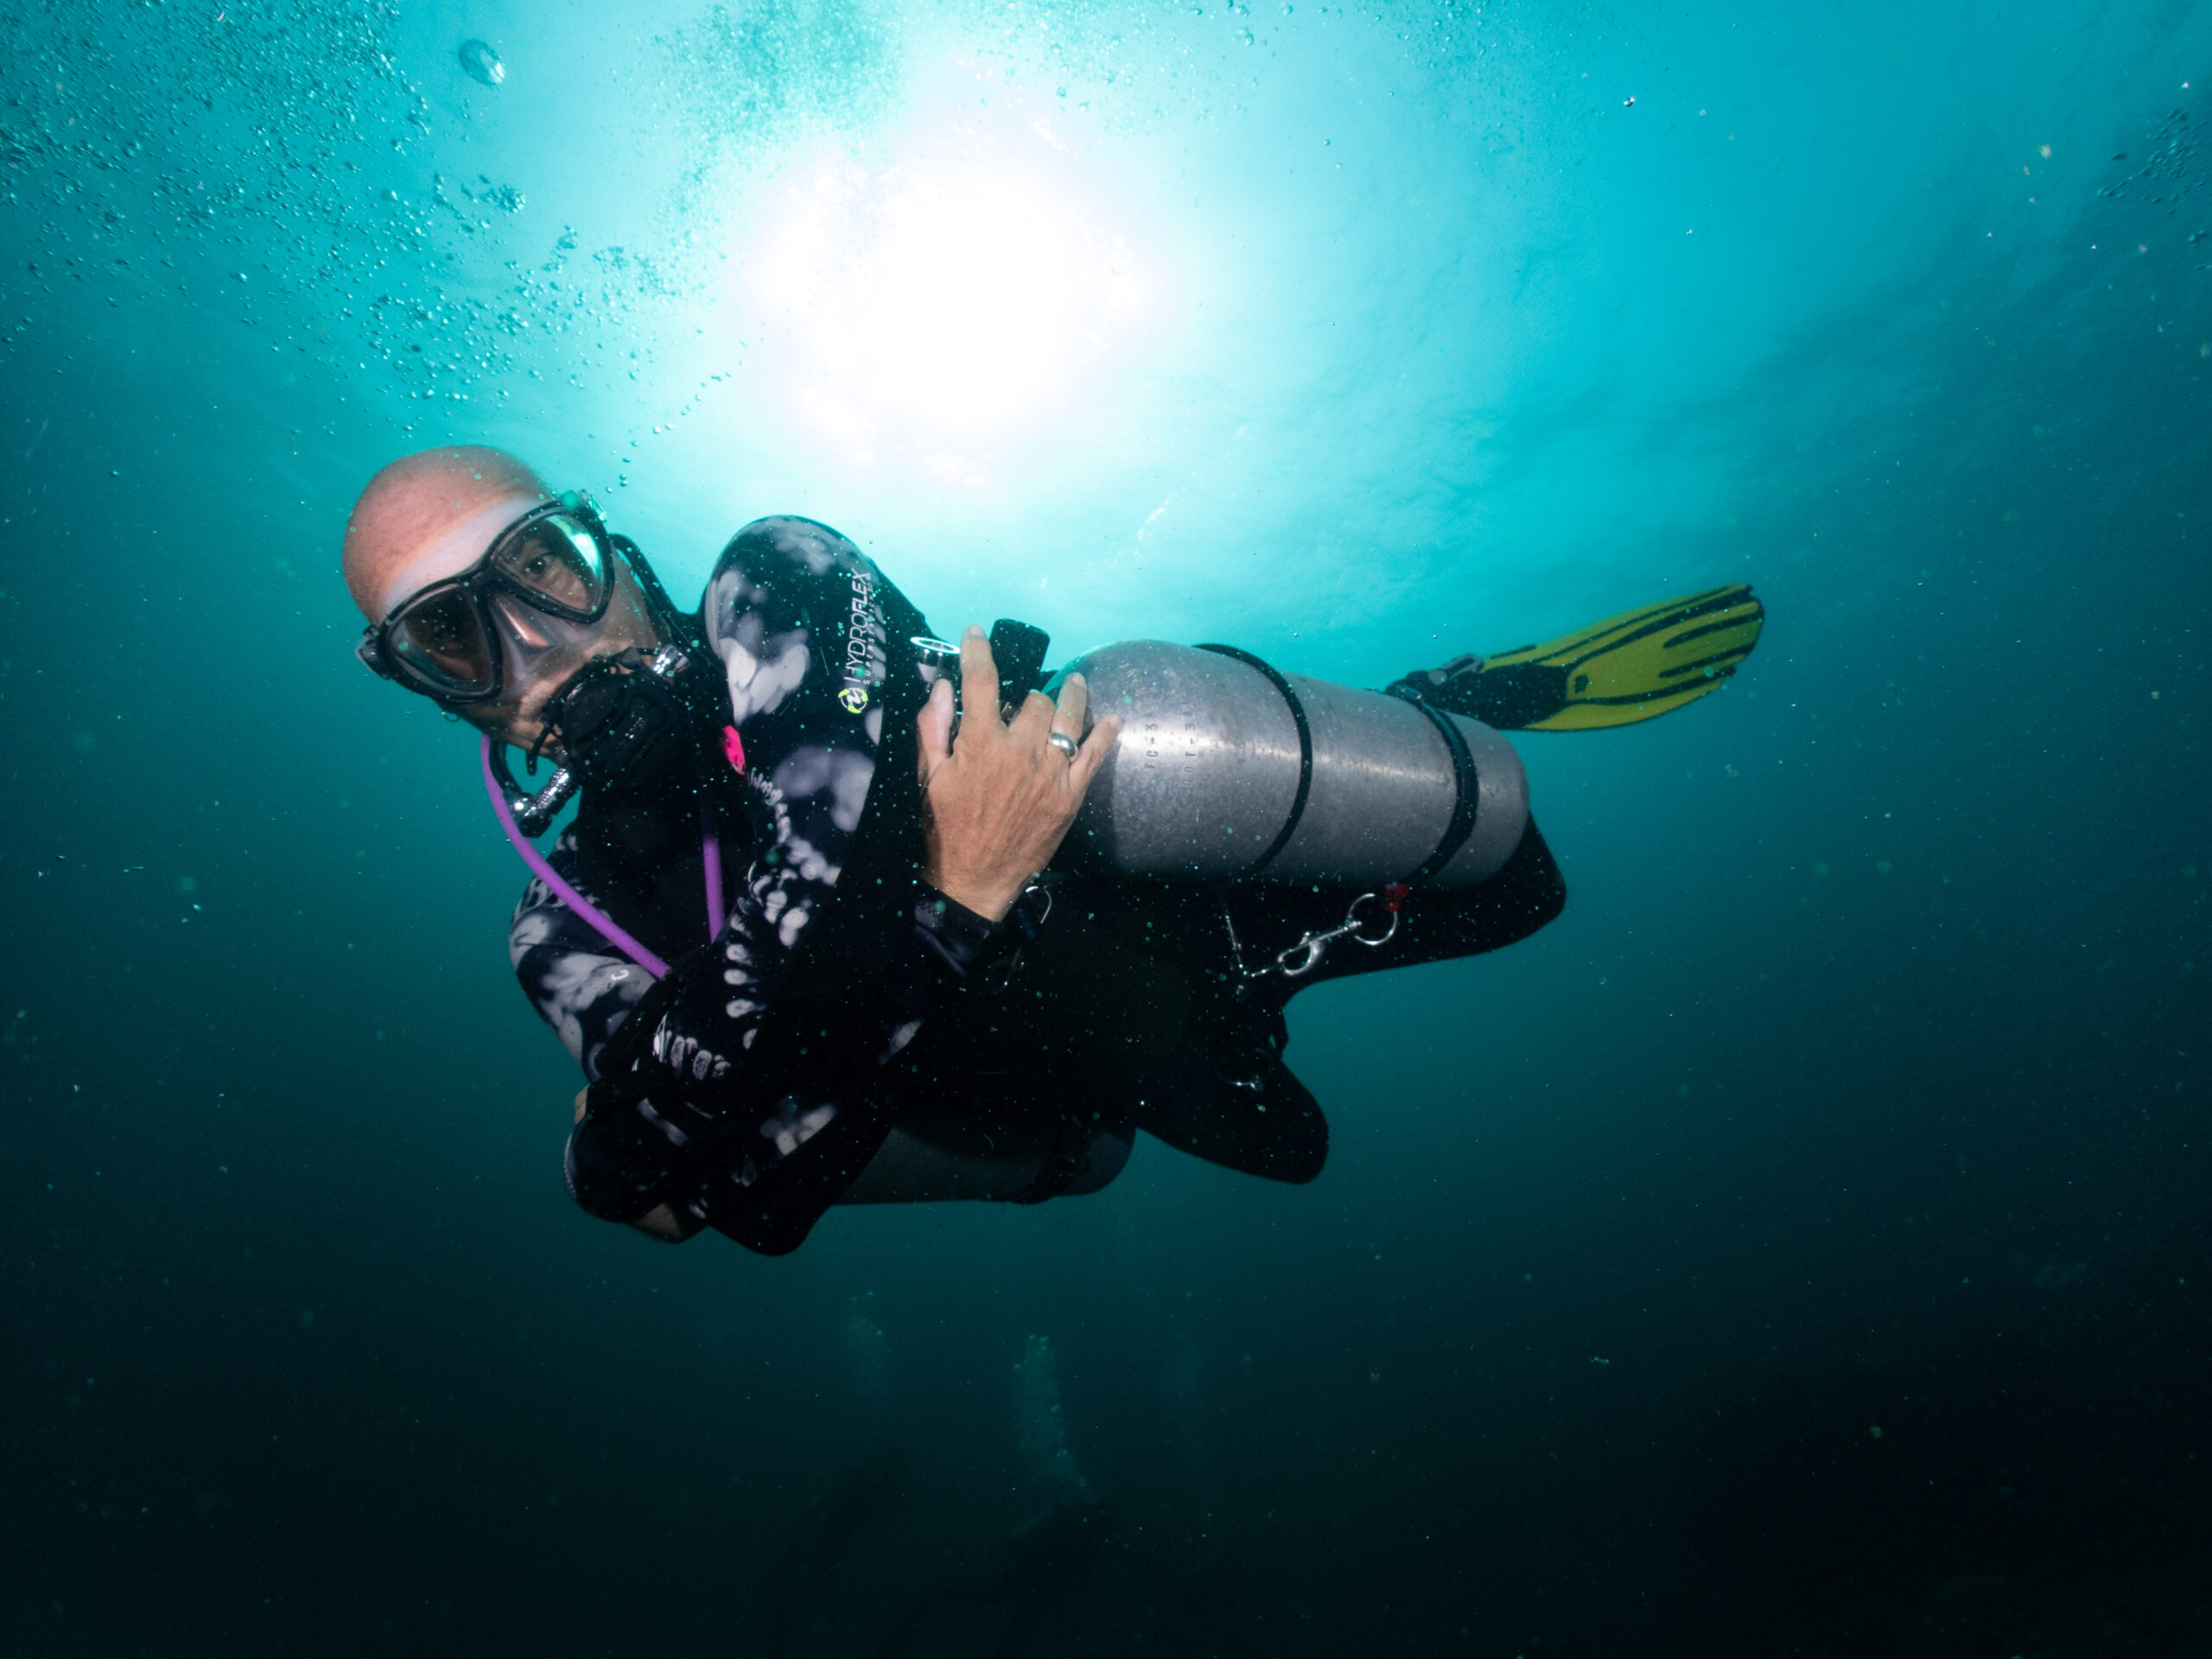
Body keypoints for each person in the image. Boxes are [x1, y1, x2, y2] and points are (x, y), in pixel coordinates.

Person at [340, 446, 1763, 1254]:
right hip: (1087, 1075)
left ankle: (1435, 705)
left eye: (541, 568)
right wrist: (956, 896)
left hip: (1169, 892)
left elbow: (722, 1119)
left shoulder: (764, 582)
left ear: (612, 552)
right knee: (1297, 1151)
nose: (535, 642)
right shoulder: (558, 927)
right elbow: (720, 1208)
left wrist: (711, 1097)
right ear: (422, 687)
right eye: (452, 633)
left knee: (1522, 883)